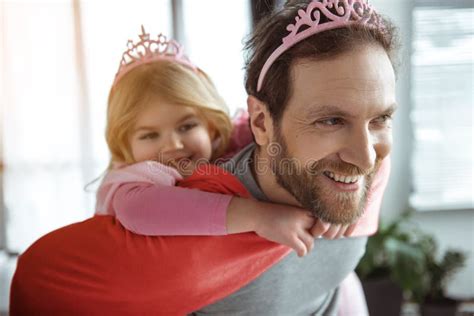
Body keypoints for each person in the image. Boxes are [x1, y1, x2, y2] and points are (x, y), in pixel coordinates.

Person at [9, 0, 398, 314]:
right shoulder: (142, 188)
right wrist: (256, 218)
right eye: (330, 120)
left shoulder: (354, 173)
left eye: (380, 118)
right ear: (264, 121)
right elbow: (50, 277)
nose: (365, 157)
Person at [95, 27, 355, 258]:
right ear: (124, 145)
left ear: (211, 126)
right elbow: (138, 210)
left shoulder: (226, 145)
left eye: (187, 126)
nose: (172, 144)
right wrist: (258, 217)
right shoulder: (130, 180)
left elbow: (265, 134)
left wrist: (330, 196)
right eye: (149, 135)